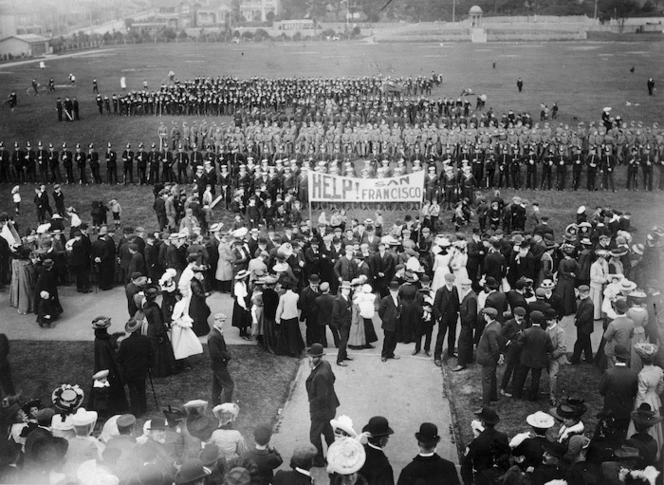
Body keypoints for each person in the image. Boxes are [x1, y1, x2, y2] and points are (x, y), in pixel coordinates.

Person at [305, 343, 340, 467]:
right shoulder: (326, 364)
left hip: (321, 411)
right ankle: (334, 455)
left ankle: (318, 460)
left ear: (315, 358)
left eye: (311, 357)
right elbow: (333, 378)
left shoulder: (319, 374)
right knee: (328, 432)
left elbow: (321, 397)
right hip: (330, 408)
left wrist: (313, 408)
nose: (309, 359)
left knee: (314, 436)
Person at [626, 342, 664, 453]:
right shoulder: (658, 370)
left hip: (645, 401)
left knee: (642, 422)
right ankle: (655, 446)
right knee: (653, 423)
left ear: (641, 360)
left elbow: (641, 394)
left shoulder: (643, 374)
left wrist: (637, 408)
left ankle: (639, 447)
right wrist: (654, 394)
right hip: (654, 399)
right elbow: (661, 386)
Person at [599, 343, 638, 441]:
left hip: (610, 411)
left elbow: (602, 391)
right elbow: (634, 392)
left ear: (615, 358)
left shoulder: (609, 373)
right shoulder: (633, 374)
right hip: (626, 412)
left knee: (609, 435)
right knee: (622, 435)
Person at [512, 310, 554, 401]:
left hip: (526, 358)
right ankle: (532, 397)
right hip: (539, 359)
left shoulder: (526, 332)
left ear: (531, 320)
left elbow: (519, 345)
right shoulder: (545, 334)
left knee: (521, 376)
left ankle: (516, 394)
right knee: (535, 378)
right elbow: (550, 348)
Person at [116, 316, 153, 418]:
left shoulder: (125, 343)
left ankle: (136, 411)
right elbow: (151, 354)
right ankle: (143, 407)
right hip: (142, 369)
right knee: (141, 388)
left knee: (133, 390)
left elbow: (119, 358)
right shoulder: (146, 340)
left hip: (130, 371)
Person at [461, 408, 509, 485]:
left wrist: (467, 482)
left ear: (483, 423)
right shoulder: (503, 436)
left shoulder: (477, 441)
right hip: (500, 477)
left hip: (482, 478)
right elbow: (507, 455)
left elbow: (467, 463)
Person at [91, 316, 128, 415]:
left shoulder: (98, 338)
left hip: (101, 366)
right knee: (110, 386)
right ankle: (112, 407)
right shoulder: (105, 342)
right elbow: (109, 353)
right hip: (108, 367)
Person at [475, 307, 503, 406]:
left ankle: (485, 403)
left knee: (486, 380)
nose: (484, 316)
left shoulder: (490, 330)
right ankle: (493, 396)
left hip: (488, 358)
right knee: (492, 378)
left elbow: (494, 347)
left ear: (488, 316)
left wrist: (497, 358)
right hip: (491, 358)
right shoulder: (497, 325)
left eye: (484, 314)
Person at [359, 416, 395, 485]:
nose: (388, 439)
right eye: (387, 436)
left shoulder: (360, 454)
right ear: (381, 440)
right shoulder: (384, 465)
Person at [208, 313, 234, 406]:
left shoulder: (217, 332)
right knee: (229, 385)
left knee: (217, 387)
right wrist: (225, 358)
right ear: (215, 321)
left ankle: (216, 405)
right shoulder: (214, 335)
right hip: (219, 365)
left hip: (216, 365)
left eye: (223, 321)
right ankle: (226, 407)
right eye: (220, 321)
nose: (222, 323)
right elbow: (215, 354)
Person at [276, 278, 305, 357]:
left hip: (285, 317)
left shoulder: (283, 297)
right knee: (293, 335)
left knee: (284, 335)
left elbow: (280, 308)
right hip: (293, 317)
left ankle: (285, 350)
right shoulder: (296, 296)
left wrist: (277, 318)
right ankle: (294, 350)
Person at [603, 298, 635, 368]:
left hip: (613, 350)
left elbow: (606, 336)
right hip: (625, 348)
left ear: (616, 310)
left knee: (612, 367)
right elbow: (632, 335)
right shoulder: (631, 322)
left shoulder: (613, 324)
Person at [455, 277, 477, 371]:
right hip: (468, 324)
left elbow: (471, 314)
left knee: (462, 342)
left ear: (469, 285)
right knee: (468, 341)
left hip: (467, 324)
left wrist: (465, 321)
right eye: (462, 285)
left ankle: (461, 363)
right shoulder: (470, 295)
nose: (462, 287)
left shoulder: (471, 297)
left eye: (464, 285)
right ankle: (469, 358)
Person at [379, 280, 402, 362]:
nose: (395, 292)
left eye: (396, 291)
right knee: (387, 339)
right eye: (393, 291)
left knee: (394, 339)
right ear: (389, 290)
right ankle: (384, 354)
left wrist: (398, 314)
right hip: (388, 323)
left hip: (396, 322)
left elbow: (399, 308)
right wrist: (385, 319)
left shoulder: (398, 298)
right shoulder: (385, 299)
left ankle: (391, 353)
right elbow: (380, 311)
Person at [571, 285, 595, 364]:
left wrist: (577, 321)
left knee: (578, 344)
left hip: (584, 327)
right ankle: (589, 358)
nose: (580, 294)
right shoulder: (585, 301)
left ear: (587, 292)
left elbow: (585, 317)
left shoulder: (589, 304)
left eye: (582, 292)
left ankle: (575, 360)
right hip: (584, 327)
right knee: (587, 343)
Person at [333, 280, 354, 366]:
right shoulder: (338, 300)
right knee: (343, 341)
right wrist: (342, 323)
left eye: (348, 289)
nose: (347, 291)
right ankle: (339, 360)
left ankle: (344, 355)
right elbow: (335, 314)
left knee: (345, 340)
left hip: (347, 323)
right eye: (345, 289)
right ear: (341, 289)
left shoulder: (348, 298)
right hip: (342, 325)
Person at [232, 270, 252, 340]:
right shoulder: (238, 285)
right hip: (240, 303)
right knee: (241, 318)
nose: (246, 277)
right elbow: (239, 297)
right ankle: (242, 332)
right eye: (245, 276)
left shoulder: (243, 283)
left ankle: (245, 331)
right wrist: (244, 306)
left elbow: (245, 293)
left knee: (245, 318)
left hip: (244, 300)